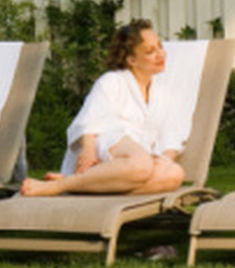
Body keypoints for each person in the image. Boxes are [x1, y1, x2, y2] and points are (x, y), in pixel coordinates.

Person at [20, 19, 186, 197]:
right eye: (150, 51)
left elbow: (171, 136)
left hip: (134, 163)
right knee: (141, 164)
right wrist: (88, 150)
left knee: (174, 174)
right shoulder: (112, 81)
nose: (160, 55)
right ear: (132, 60)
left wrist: (165, 160)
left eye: (160, 47)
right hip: (106, 146)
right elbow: (89, 120)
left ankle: (87, 186)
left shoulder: (162, 94)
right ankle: (61, 186)